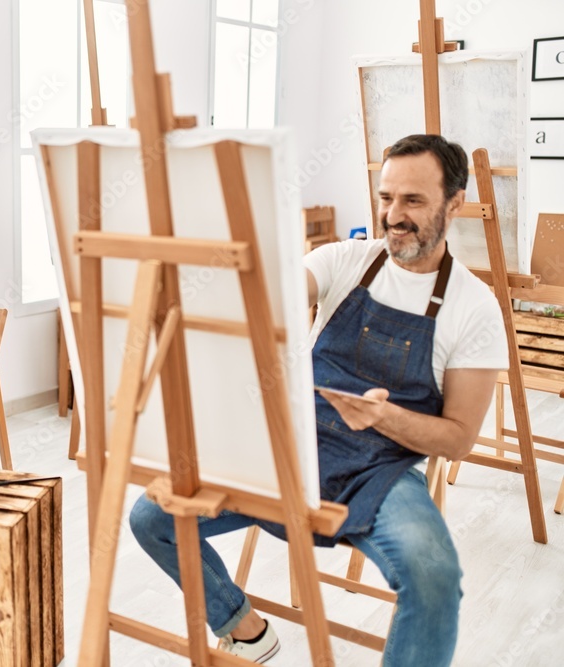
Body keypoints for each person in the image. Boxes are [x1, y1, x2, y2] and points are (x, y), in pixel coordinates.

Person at [129, 134, 508, 665]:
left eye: (413, 201)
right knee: (152, 516)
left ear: (455, 203)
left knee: (434, 575)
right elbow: (268, 298)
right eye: (385, 197)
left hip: (378, 470)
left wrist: (387, 416)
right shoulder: (344, 260)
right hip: (288, 448)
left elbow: (461, 439)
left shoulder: (475, 306)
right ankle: (244, 627)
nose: (393, 215)